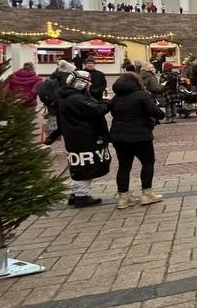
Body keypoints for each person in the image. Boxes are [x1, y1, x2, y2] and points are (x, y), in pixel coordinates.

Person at [109, 72, 165, 209]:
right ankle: (147, 193)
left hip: (119, 136)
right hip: (140, 135)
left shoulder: (116, 98)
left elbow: (113, 113)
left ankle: (123, 198)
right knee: (147, 163)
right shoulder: (142, 95)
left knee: (124, 166)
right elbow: (156, 113)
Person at [57, 70, 110, 207]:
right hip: (84, 136)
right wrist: (107, 102)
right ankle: (81, 196)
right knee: (86, 165)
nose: (89, 85)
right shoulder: (76, 99)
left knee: (78, 165)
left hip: (75, 136)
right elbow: (97, 109)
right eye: (87, 83)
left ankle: (76, 193)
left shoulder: (67, 96)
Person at [38, 60, 75, 146]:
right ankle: (51, 140)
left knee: (53, 121)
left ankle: (48, 140)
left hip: (52, 104)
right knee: (64, 124)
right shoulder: (67, 78)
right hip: (62, 104)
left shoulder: (53, 75)